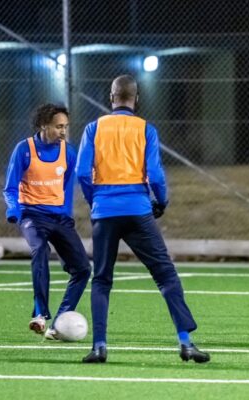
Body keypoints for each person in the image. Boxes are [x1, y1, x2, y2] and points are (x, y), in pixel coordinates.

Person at [76, 74, 209, 364]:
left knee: (101, 280)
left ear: (111, 98)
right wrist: (161, 200)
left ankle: (99, 346)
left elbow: (82, 174)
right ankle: (185, 342)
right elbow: (156, 174)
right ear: (136, 100)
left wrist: (94, 199)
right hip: (138, 209)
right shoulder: (146, 129)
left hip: (104, 212)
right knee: (165, 275)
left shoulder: (93, 128)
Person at [3, 103, 91, 339]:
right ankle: (40, 315)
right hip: (33, 216)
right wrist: (14, 210)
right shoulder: (24, 150)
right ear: (43, 125)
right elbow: (10, 188)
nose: (64, 131)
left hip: (60, 219)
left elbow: (66, 191)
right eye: (58, 126)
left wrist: (67, 217)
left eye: (66, 127)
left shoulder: (68, 152)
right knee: (39, 249)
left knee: (83, 269)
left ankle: (60, 323)